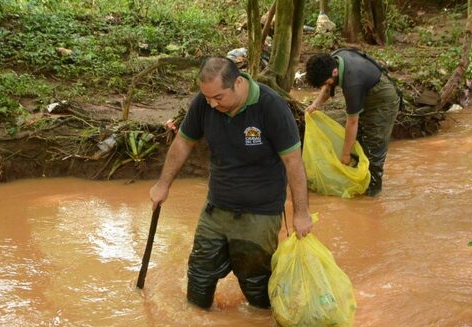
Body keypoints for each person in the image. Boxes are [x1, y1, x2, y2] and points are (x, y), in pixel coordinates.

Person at [150, 57, 313, 310]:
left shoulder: (271, 107)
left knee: (255, 283)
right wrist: (163, 184)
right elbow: (183, 142)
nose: (213, 104)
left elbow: (293, 162)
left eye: (219, 97)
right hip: (216, 208)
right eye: (207, 98)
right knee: (200, 276)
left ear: (238, 82)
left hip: (260, 212)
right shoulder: (204, 104)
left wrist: (301, 213)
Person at [305, 49, 400, 197]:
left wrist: (345, 155)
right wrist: (316, 104)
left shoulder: (352, 83)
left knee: (374, 147)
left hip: (383, 100)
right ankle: (358, 182)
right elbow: (328, 84)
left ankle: (372, 194)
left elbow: (352, 122)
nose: (327, 84)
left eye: (326, 81)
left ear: (335, 72)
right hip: (366, 91)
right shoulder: (332, 60)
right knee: (359, 142)